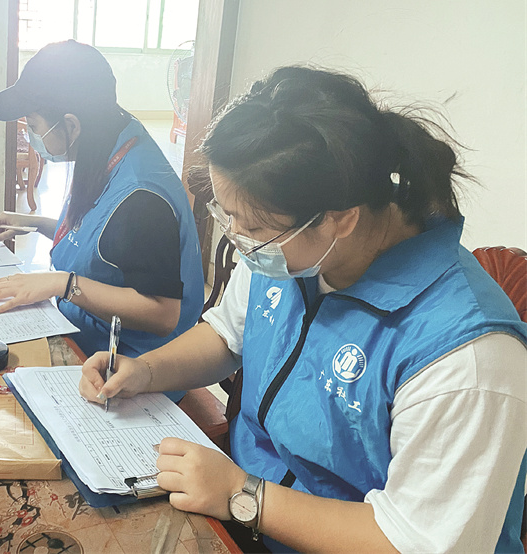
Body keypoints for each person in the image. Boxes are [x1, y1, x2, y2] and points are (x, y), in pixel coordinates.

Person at [79, 66, 527, 552]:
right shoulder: (290, 250)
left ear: (340, 220)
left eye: (253, 226)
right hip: (245, 509)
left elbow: (409, 542)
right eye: (229, 216)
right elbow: (227, 336)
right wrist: (146, 371)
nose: (239, 238)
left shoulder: (469, 360)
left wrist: (241, 494)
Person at [0, 40, 205, 387]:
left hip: (132, 367)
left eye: (34, 125)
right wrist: (35, 224)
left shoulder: (142, 199)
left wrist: (63, 284)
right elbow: (104, 239)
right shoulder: (109, 141)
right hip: (87, 333)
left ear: (71, 125)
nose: (33, 136)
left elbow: (162, 313)